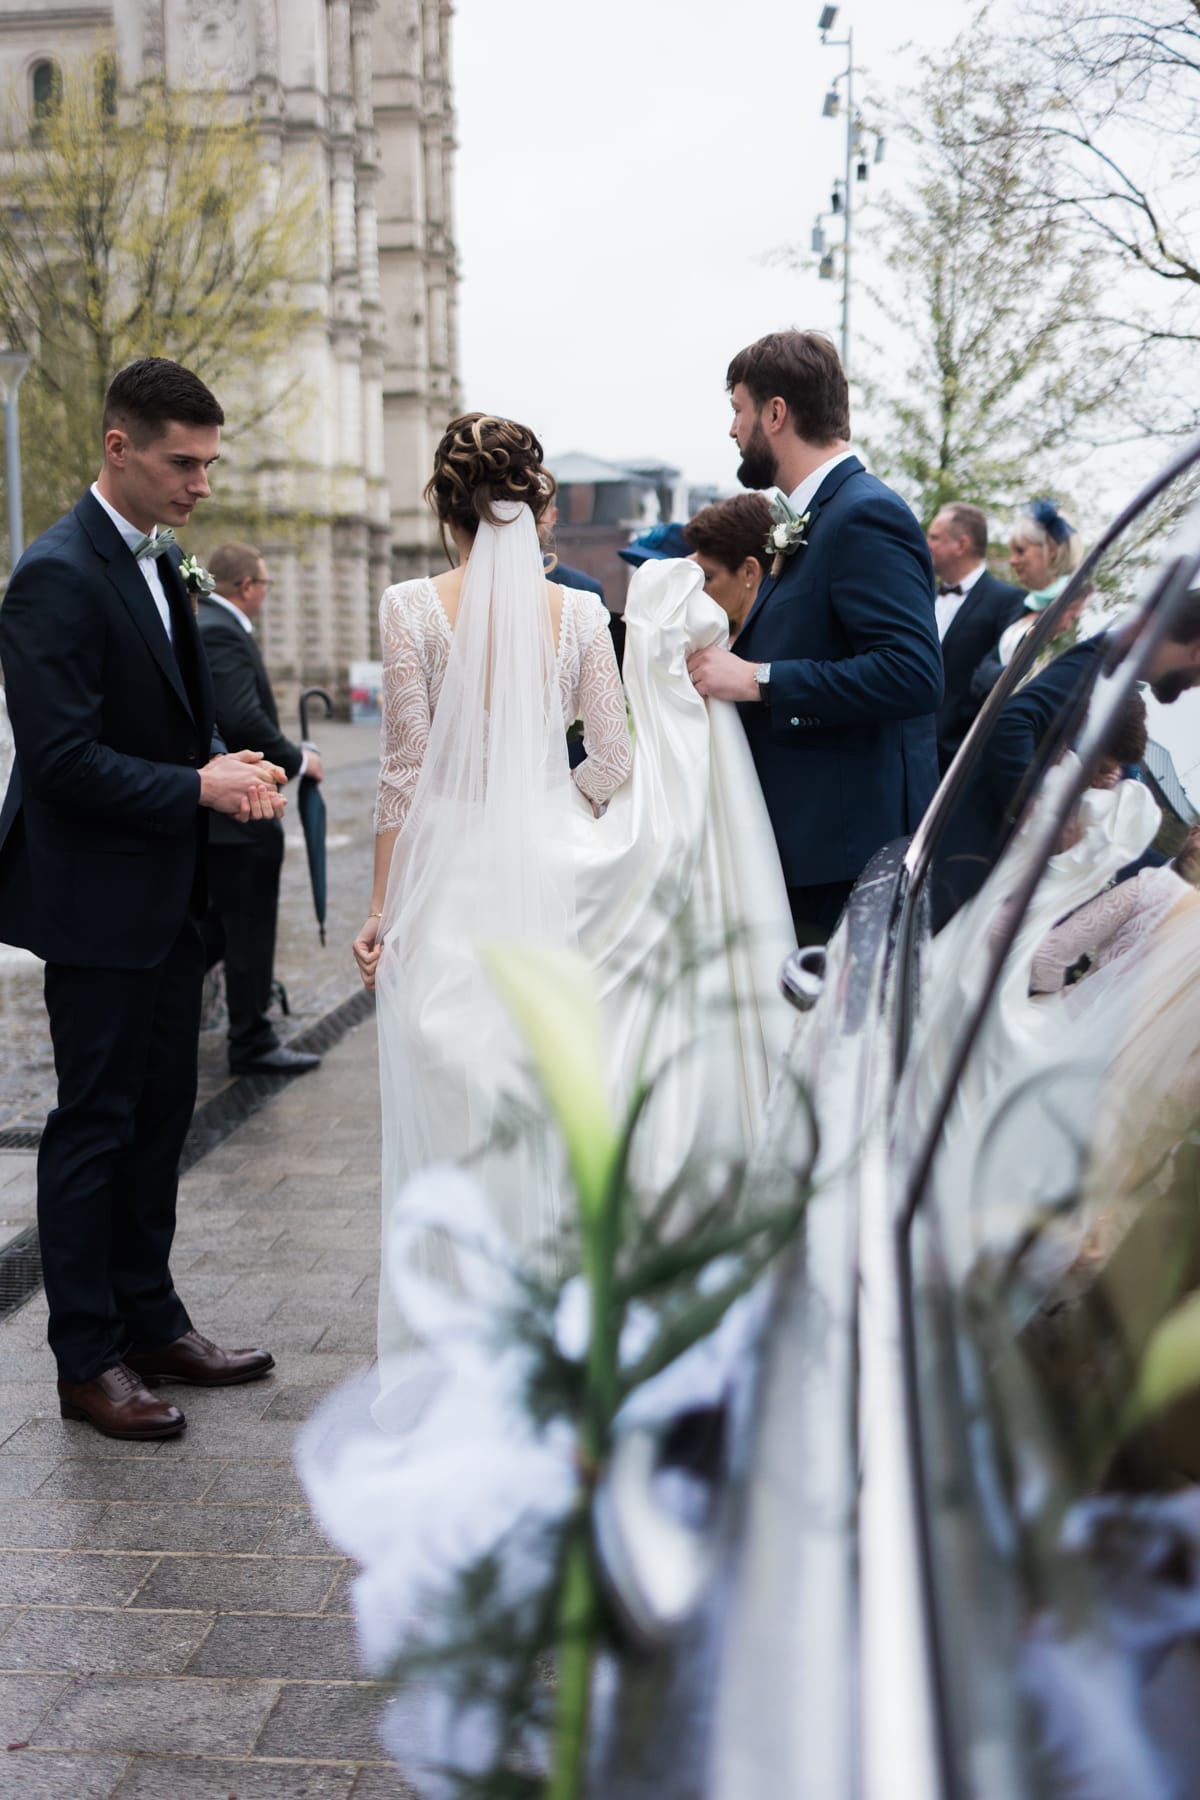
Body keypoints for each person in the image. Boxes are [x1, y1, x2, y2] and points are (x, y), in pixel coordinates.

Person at [350, 413, 794, 1362]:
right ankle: (551, 1324)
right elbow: (614, 755)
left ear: (445, 506)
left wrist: (383, 909)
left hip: (449, 875)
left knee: (456, 1102)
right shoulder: (584, 612)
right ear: (533, 504)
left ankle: (462, 1332)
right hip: (555, 868)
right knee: (545, 1096)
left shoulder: (410, 607)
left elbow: (403, 773)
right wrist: (560, 811)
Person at [0, 358, 281, 1440]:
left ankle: (152, 1318)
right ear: (119, 447)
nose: (201, 484)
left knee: (162, 1119)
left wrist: (227, 762)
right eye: (183, 463)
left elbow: (173, 718)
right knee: (95, 1127)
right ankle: (86, 1358)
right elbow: (62, 760)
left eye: (211, 463)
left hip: (172, 896)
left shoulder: (165, 563)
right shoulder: (54, 574)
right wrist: (194, 785)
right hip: (96, 906)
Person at [686, 329, 943, 945]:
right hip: (815, 857)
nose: (732, 429)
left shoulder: (863, 514)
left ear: (775, 414)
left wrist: (757, 679)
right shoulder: (816, 516)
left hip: (852, 869)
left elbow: (912, 672)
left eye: (737, 410)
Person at [934, 594, 1200, 924]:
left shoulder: (1114, 672)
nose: (1196, 686)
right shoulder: (1102, 664)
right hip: (965, 864)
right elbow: (1013, 721)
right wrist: (1042, 808)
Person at [197, 542, 323, 1076]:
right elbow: (241, 717)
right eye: (265, 584)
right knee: (246, 927)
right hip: (238, 817)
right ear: (245, 586)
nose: (267, 594)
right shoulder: (221, 631)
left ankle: (175, 1018)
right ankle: (250, 1039)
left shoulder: (209, 623)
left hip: (223, 818)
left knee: (215, 931)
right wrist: (299, 761)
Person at [926, 502, 1026, 771]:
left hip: (958, 758)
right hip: (906, 750)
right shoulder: (923, 596)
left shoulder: (1009, 601)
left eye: (934, 537)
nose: (927, 543)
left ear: (961, 544)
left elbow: (997, 677)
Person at [684, 491, 773, 643]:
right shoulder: (704, 637)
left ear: (749, 572)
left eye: (707, 577)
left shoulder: (775, 647)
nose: (699, 588)